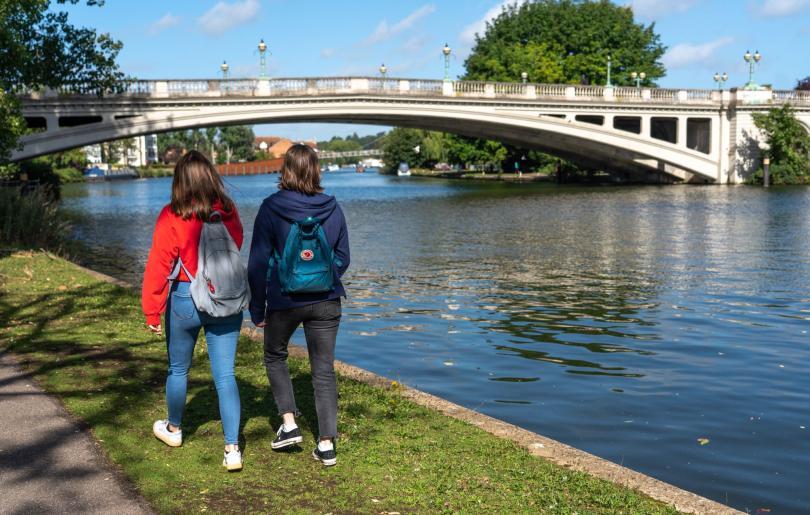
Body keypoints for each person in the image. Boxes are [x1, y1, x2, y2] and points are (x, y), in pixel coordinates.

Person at [141, 150, 245, 471]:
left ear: (180, 181)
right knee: (225, 374)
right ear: (211, 177)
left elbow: (159, 264)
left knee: (178, 369)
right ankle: (231, 450)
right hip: (223, 297)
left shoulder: (172, 214)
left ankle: (173, 429)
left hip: (185, 296)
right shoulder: (227, 211)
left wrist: (152, 310)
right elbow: (235, 245)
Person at [248, 144, 350, 467]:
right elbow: (343, 257)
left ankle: (289, 424)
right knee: (323, 370)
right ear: (316, 170)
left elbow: (257, 263)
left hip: (283, 300)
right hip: (326, 301)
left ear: (286, 170)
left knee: (274, 353)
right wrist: (322, 277)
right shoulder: (333, 208)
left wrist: (257, 306)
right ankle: (326, 445)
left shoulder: (270, 208)